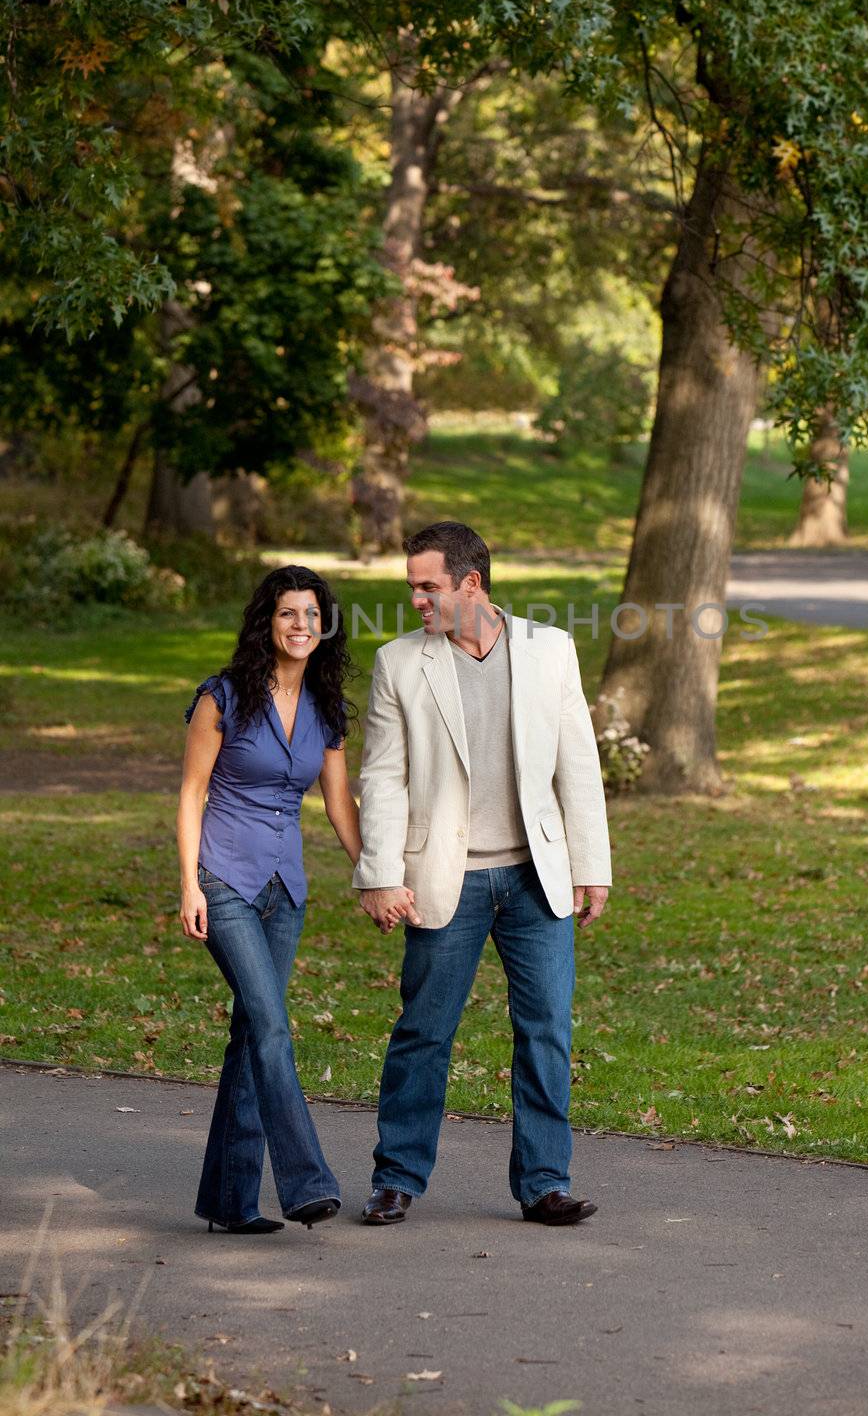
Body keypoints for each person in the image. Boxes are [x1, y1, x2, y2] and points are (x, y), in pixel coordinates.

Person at [353, 520, 611, 1227]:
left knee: (546, 1031)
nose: (415, 600)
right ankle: (396, 1178)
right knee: (424, 1033)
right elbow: (381, 779)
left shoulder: (549, 650)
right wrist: (378, 873)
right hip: (446, 880)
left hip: (535, 879)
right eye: (410, 587)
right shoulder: (400, 663)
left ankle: (543, 1184)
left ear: (471, 583)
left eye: (426, 586)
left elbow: (576, 764)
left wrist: (591, 866)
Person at [177, 565, 410, 1235]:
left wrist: (376, 874)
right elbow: (192, 793)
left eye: (311, 615)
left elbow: (338, 802)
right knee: (271, 1025)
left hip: (286, 889)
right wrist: (188, 883)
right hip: (224, 882)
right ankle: (305, 1182)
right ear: (266, 624)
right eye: (288, 614)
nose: (301, 625)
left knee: (253, 1032)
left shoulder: (324, 708)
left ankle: (229, 1201)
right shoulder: (221, 698)